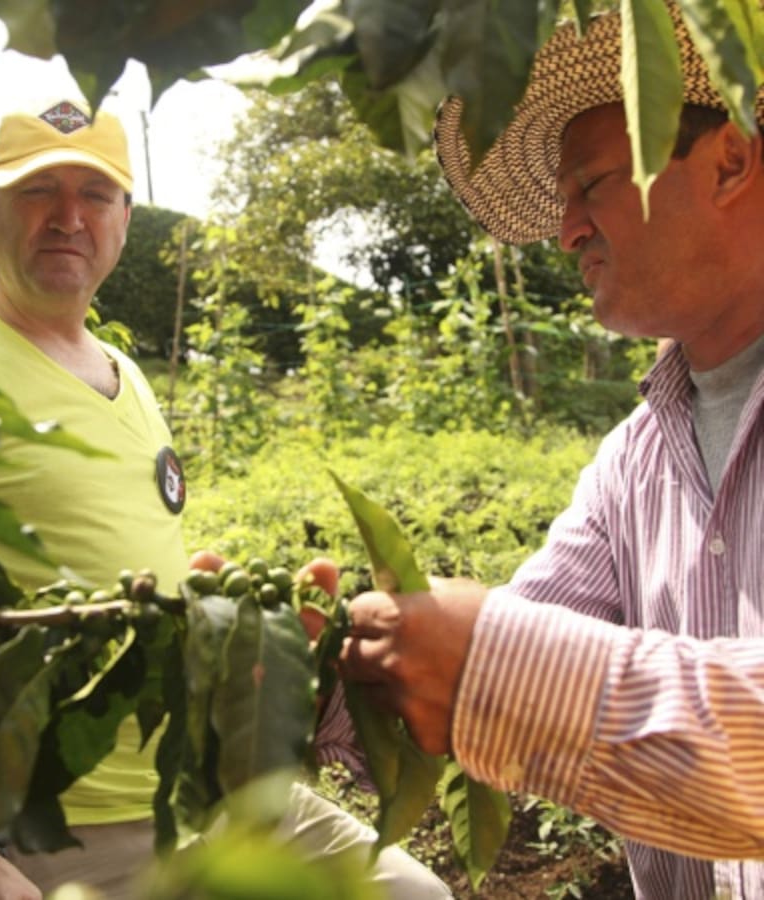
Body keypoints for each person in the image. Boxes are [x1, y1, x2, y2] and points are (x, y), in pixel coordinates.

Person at [0, 99, 452, 898]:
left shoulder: (127, 380)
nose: (68, 217)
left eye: (94, 195)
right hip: (48, 830)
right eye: (36, 191)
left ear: (126, 216)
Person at [338, 6, 764, 899]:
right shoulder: (634, 463)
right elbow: (534, 620)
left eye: (591, 186)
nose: (567, 231)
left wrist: (496, 667)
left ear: (729, 160)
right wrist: (301, 671)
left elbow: (506, 655)